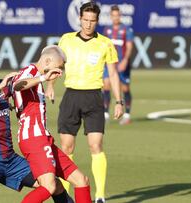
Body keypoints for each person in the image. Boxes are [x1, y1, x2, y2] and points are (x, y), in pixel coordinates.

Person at [0, 51, 73, 203]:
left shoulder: (2, 86)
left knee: (53, 184)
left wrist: (46, 78)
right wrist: (1, 87)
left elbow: (22, 83)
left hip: (11, 159)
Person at [45, 2, 124, 203]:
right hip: (71, 97)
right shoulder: (67, 40)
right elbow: (56, 66)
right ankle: (64, 197)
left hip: (94, 98)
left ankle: (99, 196)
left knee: (96, 145)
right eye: (85, 20)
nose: (88, 24)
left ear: (97, 21)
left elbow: (113, 75)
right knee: (67, 147)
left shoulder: (105, 43)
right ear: (80, 19)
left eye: (92, 21)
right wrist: (51, 85)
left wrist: (119, 101)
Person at [11, 45, 92, 203]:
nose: (60, 72)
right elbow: (17, 85)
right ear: (47, 60)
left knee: (81, 181)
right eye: (59, 67)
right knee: (49, 186)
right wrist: (44, 77)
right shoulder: (31, 71)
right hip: (34, 138)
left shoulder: (36, 78)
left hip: (43, 138)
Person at [103, 5, 134, 125]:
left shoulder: (127, 29)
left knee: (125, 88)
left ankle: (127, 115)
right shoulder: (107, 30)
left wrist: (125, 60)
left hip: (122, 63)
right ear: (111, 16)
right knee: (106, 86)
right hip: (109, 63)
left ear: (120, 15)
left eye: (118, 15)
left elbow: (130, 47)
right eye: (113, 15)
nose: (116, 17)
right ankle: (105, 114)